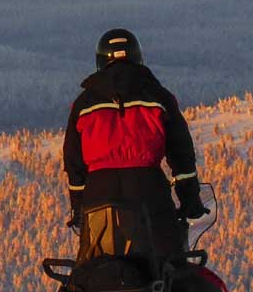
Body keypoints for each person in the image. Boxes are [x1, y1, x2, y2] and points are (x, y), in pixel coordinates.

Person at [62, 28, 207, 259]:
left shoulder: (83, 104)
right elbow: (181, 155)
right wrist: (190, 199)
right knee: (170, 264)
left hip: (99, 195)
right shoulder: (159, 97)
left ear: (100, 61)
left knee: (97, 265)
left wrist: (79, 208)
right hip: (149, 191)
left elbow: (74, 163)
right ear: (138, 58)